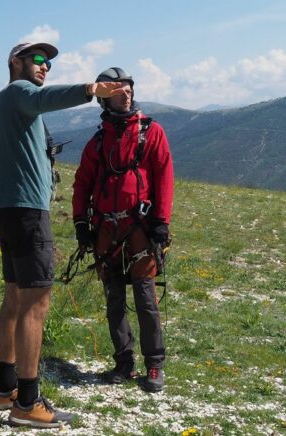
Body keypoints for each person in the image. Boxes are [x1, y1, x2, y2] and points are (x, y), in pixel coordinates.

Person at [0, 42, 127, 429]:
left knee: (14, 297)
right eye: (38, 60)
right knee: (36, 304)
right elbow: (46, 98)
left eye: (48, 62)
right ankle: (28, 403)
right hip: (27, 211)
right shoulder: (18, 93)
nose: (45, 66)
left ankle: (3, 389)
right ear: (15, 62)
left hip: (8, 211)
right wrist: (90, 90)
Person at [71, 67, 174, 393]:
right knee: (114, 301)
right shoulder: (99, 140)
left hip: (141, 228)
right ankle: (124, 362)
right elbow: (82, 182)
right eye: (118, 89)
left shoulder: (151, 132)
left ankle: (154, 365)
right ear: (104, 97)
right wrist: (80, 222)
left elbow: (164, 177)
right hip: (106, 230)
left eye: (128, 87)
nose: (126, 92)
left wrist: (161, 222)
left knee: (145, 299)